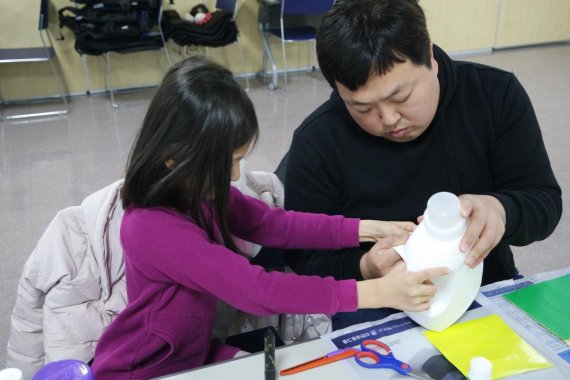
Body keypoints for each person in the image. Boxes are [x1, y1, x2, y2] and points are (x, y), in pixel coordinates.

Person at [91, 56, 448, 379]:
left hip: (192, 354)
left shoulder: (195, 192)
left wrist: (367, 229)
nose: (233, 178)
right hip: (145, 370)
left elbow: (275, 224)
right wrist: (378, 291)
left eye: (237, 162)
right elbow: (257, 290)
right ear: (173, 159)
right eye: (226, 164)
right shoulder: (154, 228)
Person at [283, 0, 562, 330]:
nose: (388, 119)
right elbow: (304, 258)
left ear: (429, 56)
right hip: (377, 301)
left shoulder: (494, 96)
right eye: (362, 109)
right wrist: (366, 266)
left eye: (401, 98)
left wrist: (501, 209)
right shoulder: (318, 140)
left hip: (482, 286)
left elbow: (544, 203)